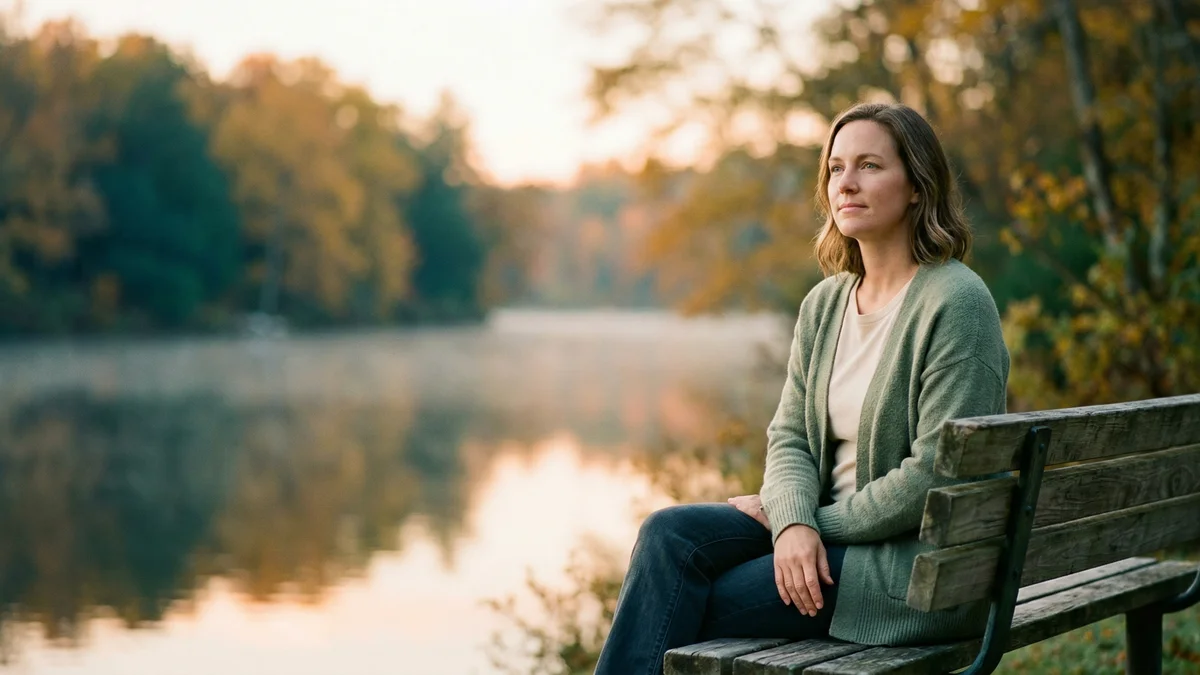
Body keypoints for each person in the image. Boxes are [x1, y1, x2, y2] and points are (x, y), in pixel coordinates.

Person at [593, 101, 1010, 675]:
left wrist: (807, 526)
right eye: (836, 168)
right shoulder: (826, 304)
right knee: (669, 534)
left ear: (917, 186)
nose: (848, 183)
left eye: (869, 166)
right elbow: (789, 435)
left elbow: (934, 475)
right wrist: (792, 522)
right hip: (826, 539)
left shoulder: (956, 302)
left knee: (683, 603)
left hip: (907, 572)